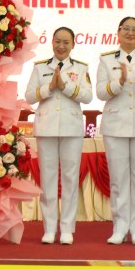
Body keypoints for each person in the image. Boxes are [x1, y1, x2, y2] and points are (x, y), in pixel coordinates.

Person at [24, 28, 93, 245]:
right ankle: (49, 227)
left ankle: (67, 228)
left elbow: (88, 96)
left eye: (66, 42)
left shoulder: (81, 68)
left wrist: (66, 87)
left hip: (71, 128)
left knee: (71, 179)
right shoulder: (40, 67)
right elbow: (29, 96)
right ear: (52, 42)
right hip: (46, 127)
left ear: (73, 44)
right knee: (48, 179)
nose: (61, 46)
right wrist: (49, 87)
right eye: (58, 42)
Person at [96, 17, 135, 245]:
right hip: (116, 125)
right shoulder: (106, 60)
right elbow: (101, 94)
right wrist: (119, 82)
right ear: (118, 32)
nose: (131, 33)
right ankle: (120, 226)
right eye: (127, 29)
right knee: (119, 178)